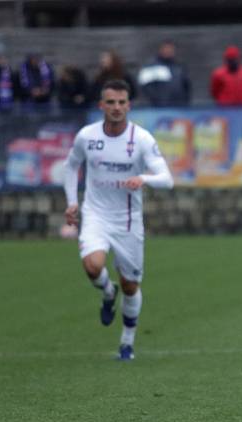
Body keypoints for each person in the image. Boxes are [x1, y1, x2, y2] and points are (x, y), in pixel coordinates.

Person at [62, 79, 174, 361]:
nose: (116, 107)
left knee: (131, 286)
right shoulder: (87, 136)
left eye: (121, 102)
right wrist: (72, 202)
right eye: (110, 102)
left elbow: (167, 179)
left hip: (127, 221)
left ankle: (127, 341)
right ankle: (107, 291)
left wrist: (143, 178)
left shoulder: (142, 139)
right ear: (101, 105)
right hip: (95, 215)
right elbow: (70, 165)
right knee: (92, 266)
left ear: (129, 105)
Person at [137, 40, 191, 107]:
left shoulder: (179, 67)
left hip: (179, 107)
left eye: (171, 49)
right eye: (166, 48)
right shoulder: (151, 67)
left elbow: (186, 86)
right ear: (161, 49)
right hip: (158, 108)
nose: (168, 51)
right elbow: (145, 87)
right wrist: (157, 101)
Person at [0, 46, 17, 112]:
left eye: (2, 58)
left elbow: (15, 86)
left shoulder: (10, 72)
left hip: (7, 101)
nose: (0, 61)